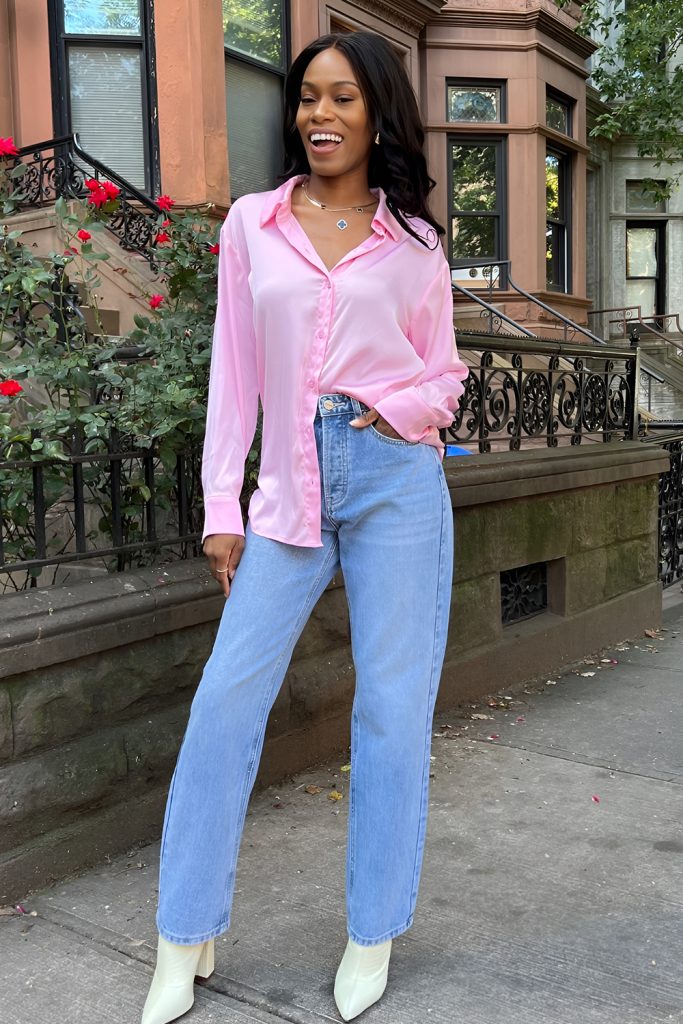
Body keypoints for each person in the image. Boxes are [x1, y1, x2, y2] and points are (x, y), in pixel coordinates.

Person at [141, 29, 469, 1024]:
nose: (319, 116)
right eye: (306, 100)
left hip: (393, 483)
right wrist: (219, 507)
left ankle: (371, 929)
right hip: (285, 490)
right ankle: (182, 932)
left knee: (390, 710)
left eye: (341, 100)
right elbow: (232, 374)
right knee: (224, 705)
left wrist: (398, 408)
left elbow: (444, 376)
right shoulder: (253, 224)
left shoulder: (413, 241)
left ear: (375, 112)